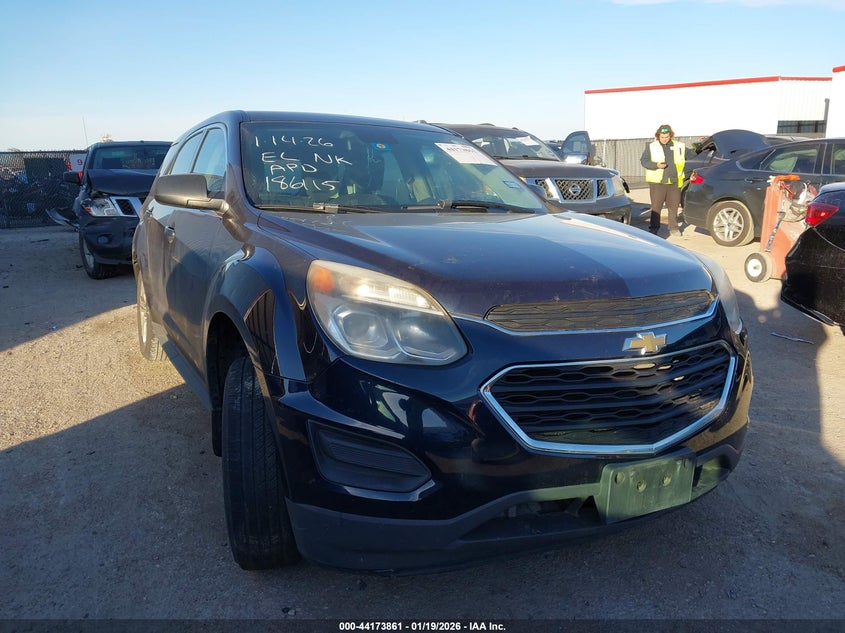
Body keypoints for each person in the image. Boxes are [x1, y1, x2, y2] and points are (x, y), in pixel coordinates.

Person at [640, 124, 686, 236]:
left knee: (673, 207)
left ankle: (673, 228)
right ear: (658, 136)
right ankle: (654, 228)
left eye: (667, 136)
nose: (665, 139)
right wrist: (656, 165)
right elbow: (644, 161)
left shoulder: (679, 146)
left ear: (670, 135)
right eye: (662, 137)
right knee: (656, 207)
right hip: (658, 183)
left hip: (674, 182)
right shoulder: (651, 146)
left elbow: (691, 155)